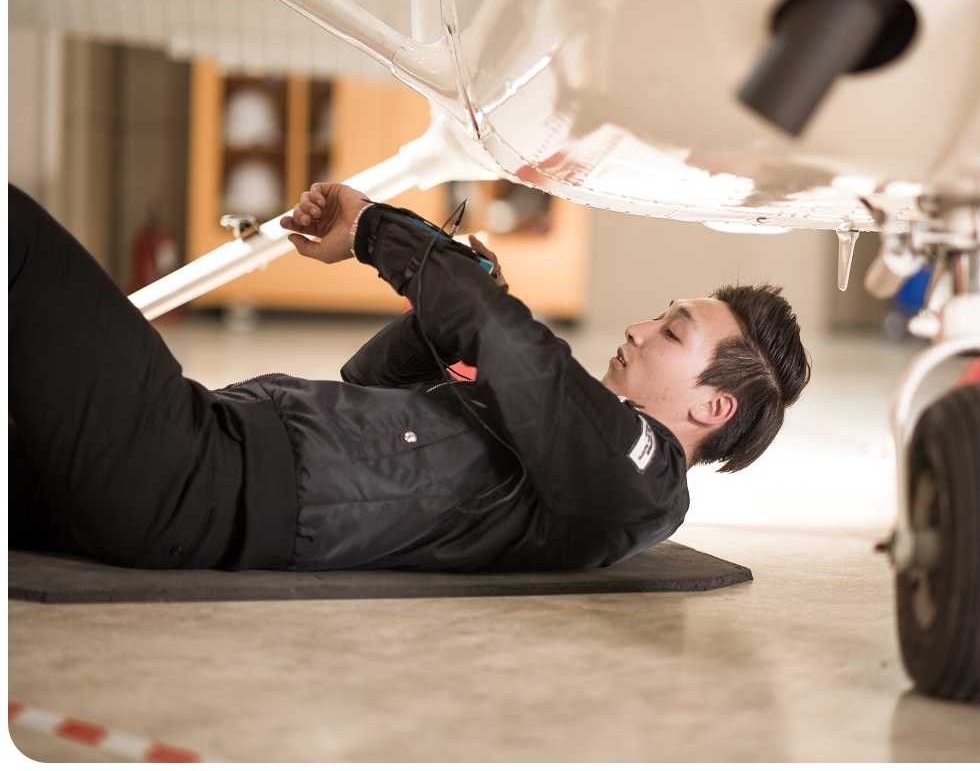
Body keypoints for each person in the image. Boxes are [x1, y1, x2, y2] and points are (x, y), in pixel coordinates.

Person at [8, 182, 810, 572]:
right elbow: (368, 381)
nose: (636, 328)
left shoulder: (642, 483)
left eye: (671, 331)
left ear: (714, 405)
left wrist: (376, 232)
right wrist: (461, 301)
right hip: (209, 446)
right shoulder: (574, 445)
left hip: (196, 480)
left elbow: (520, 352)